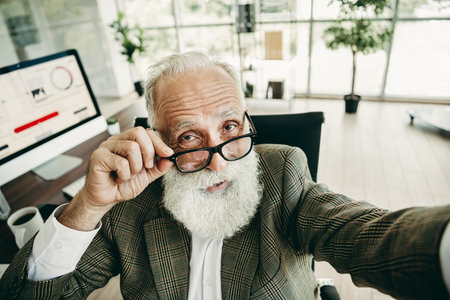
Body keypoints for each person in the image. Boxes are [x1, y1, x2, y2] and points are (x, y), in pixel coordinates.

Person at [1, 52, 449, 300]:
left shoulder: (283, 174)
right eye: (190, 138)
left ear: (248, 122)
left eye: (230, 128)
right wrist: (88, 206)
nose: (219, 162)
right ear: (156, 140)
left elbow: (365, 234)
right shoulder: (130, 207)